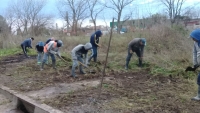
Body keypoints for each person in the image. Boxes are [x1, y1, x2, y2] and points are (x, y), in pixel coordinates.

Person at [189, 29, 200, 101]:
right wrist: (195, 63)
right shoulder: (195, 43)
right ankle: (199, 96)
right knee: (199, 80)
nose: (192, 39)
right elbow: (194, 53)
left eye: (194, 37)